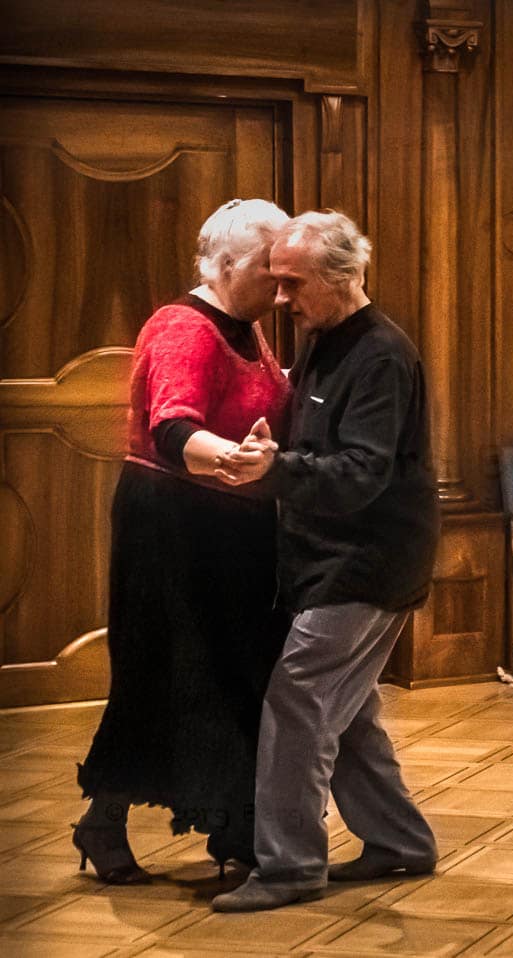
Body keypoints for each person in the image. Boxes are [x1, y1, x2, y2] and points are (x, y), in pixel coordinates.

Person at [209, 210, 440, 913]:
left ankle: (289, 869)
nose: (281, 299)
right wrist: (265, 449)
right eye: (276, 282)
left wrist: (274, 471)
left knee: (299, 703)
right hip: (328, 561)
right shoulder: (321, 337)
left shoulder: (381, 356)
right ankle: (400, 842)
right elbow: (311, 441)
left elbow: (360, 474)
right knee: (351, 713)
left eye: (293, 284)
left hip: (366, 564)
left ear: (341, 277)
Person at [75, 198, 293, 883]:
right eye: (269, 269)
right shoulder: (183, 328)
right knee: (168, 677)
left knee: (234, 674)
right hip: (171, 527)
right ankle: (112, 823)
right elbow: (173, 427)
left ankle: (232, 829)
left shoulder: (249, 327)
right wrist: (224, 457)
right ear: (226, 265)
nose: (281, 286)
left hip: (230, 526)